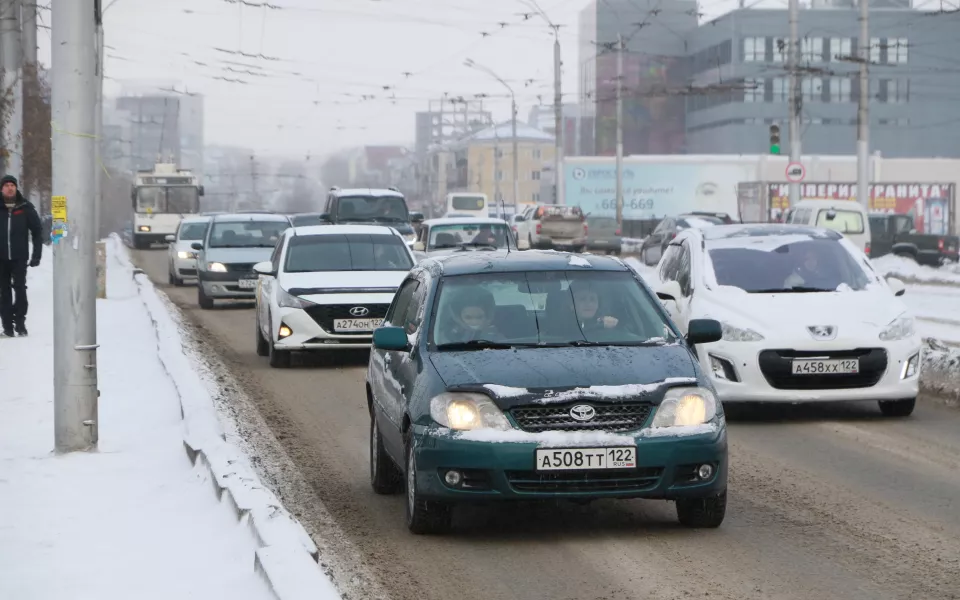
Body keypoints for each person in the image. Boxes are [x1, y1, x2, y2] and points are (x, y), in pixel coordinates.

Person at [0, 175, 43, 337]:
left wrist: (36, 255)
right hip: (1, 258)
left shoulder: (25, 207)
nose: (10, 188)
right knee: (3, 292)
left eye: (12, 185)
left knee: (20, 289)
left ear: (16, 188)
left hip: (19, 257)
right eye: (6, 185)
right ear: (1, 189)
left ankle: (20, 323)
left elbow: (37, 232)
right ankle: (7, 326)